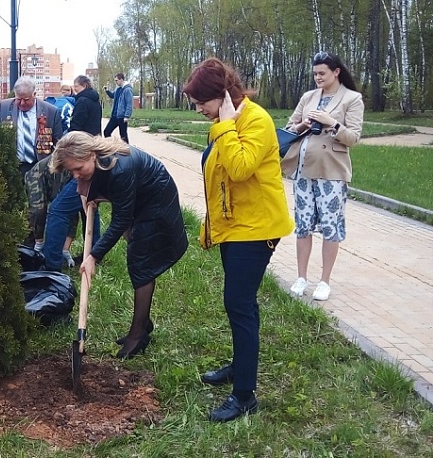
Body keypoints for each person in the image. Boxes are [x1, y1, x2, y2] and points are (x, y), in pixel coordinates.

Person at [184, 57, 294, 422]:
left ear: (222, 95)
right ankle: (239, 366)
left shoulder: (255, 121)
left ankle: (244, 395)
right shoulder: (226, 121)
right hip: (236, 227)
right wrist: (211, 227)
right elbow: (219, 178)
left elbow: (241, 167)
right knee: (240, 304)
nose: (199, 109)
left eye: (202, 102)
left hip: (257, 228)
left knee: (239, 304)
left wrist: (226, 129)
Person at [49, 132, 188, 359]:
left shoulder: (119, 168)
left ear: (92, 155)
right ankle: (143, 324)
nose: (75, 175)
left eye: (78, 168)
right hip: (140, 199)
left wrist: (93, 256)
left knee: (141, 265)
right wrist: (91, 192)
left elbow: (121, 219)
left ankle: (138, 334)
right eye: (71, 171)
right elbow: (107, 187)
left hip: (156, 201)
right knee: (138, 259)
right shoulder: (100, 162)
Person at [282, 51, 364, 301]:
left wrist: (332, 123)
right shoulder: (308, 97)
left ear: (336, 72)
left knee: (330, 226)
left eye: (322, 73)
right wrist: (303, 125)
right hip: (304, 170)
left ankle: (324, 281)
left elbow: (354, 138)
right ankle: (301, 277)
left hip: (332, 173)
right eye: (315, 73)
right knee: (303, 225)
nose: (317, 77)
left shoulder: (352, 99)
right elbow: (287, 129)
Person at [41, 75, 104, 271]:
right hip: (93, 153)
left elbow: (76, 127)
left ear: (83, 85)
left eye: (75, 87)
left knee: (58, 209)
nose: (74, 91)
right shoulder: (96, 101)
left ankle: (50, 264)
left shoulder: (82, 101)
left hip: (83, 155)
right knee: (89, 208)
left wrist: (68, 149)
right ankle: (95, 251)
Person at [0, 76, 63, 177]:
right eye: (18, 99)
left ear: (34, 94)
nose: (21, 103)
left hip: (40, 167)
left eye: (26, 99)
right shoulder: (4, 107)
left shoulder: (51, 111)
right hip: (13, 167)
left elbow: (58, 143)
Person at [103, 73, 133, 143]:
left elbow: (129, 103)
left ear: (121, 79)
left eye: (116, 80)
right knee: (106, 132)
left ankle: (126, 150)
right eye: (115, 80)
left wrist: (127, 116)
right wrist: (107, 90)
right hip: (115, 115)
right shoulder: (118, 89)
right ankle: (113, 146)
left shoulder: (127, 90)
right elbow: (112, 95)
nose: (115, 82)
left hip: (122, 116)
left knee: (123, 135)